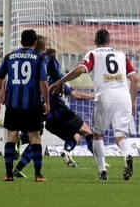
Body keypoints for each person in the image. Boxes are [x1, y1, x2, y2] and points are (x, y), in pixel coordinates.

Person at [50, 29, 138, 181]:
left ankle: (103, 171)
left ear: (95, 41)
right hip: (124, 98)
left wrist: (59, 82)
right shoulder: (122, 55)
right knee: (120, 137)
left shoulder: (93, 54)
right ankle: (127, 154)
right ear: (109, 41)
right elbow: (134, 80)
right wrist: (133, 101)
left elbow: (80, 69)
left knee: (97, 135)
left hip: (104, 95)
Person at [12, 37, 96, 178]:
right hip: (56, 110)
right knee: (86, 132)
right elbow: (74, 95)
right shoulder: (51, 62)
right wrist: (95, 95)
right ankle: (101, 164)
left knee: (38, 138)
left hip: (36, 107)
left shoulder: (30, 64)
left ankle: (18, 166)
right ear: (44, 48)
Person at [0, 29, 49, 182]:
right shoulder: (39, 58)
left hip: (13, 104)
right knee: (35, 137)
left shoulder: (10, 57)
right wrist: (47, 102)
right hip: (32, 104)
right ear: (35, 43)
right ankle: (37, 175)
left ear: (21, 42)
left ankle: (9, 174)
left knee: (11, 136)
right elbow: (43, 82)